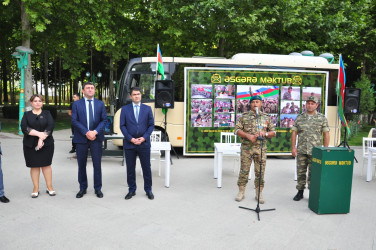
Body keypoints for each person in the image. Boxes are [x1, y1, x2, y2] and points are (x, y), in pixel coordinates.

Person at [234, 95, 276, 203]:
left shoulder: (266, 117)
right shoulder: (244, 116)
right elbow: (236, 130)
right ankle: (241, 191)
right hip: (246, 148)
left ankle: (259, 192)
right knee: (244, 170)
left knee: (260, 172)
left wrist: (265, 133)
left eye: (257, 102)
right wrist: (248, 136)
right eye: (253, 102)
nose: (255, 104)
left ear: (261, 103)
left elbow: (273, 132)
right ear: (250, 104)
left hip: (261, 149)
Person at [71, 82, 107, 198]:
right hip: (81, 138)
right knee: (81, 165)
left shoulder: (100, 104)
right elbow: (74, 121)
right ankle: (82, 188)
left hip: (96, 138)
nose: (90, 90)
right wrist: (86, 132)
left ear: (94, 90)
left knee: (97, 165)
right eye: (88, 88)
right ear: (83, 91)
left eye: (92, 88)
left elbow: (104, 120)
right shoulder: (76, 104)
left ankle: (98, 189)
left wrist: (94, 132)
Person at [291, 95, 330, 201]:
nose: (310, 105)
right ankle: (300, 192)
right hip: (302, 150)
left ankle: (313, 193)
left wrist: (325, 149)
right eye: (308, 103)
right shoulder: (300, 117)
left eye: (312, 103)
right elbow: (294, 133)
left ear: (316, 105)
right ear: (305, 104)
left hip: (315, 151)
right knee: (300, 172)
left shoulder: (321, 118)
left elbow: (326, 134)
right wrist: (293, 148)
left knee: (314, 174)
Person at [120, 87, 155, 200]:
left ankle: (148, 190)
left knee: (146, 168)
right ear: (130, 96)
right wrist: (130, 139)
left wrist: (144, 138)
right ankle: (131, 190)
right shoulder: (125, 109)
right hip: (130, 144)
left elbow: (151, 125)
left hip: (143, 144)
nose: (136, 96)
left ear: (141, 95)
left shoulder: (147, 109)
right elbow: (122, 126)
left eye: (138, 94)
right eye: (134, 94)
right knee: (130, 168)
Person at [21, 94, 55, 198]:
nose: (37, 103)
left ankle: (49, 187)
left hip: (47, 144)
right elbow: (24, 128)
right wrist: (39, 134)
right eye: (35, 101)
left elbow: (50, 126)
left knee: (46, 165)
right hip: (30, 145)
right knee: (34, 166)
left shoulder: (47, 113)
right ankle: (36, 188)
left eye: (39, 101)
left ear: (42, 102)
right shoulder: (27, 114)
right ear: (31, 103)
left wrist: (41, 139)